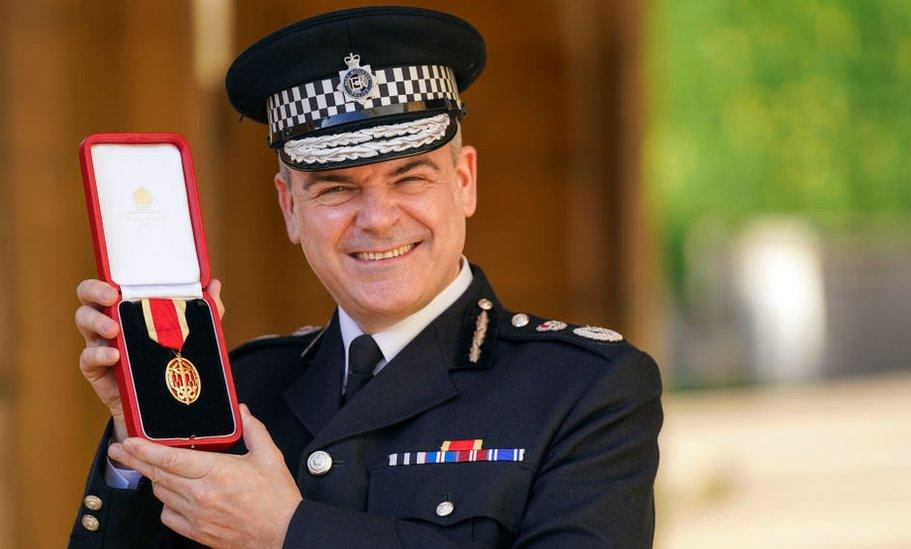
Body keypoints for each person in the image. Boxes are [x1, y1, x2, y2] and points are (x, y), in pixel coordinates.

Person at [68, 6, 663, 548]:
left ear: (464, 183)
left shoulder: (585, 388)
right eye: (336, 188)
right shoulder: (237, 389)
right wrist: (138, 434)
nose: (378, 220)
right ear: (289, 209)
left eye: (410, 178)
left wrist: (288, 530)